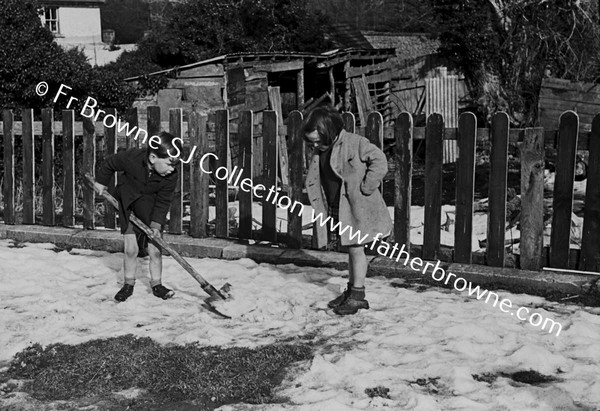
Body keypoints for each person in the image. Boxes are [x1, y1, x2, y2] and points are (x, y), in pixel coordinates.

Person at [303, 106, 392, 315]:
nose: (315, 145)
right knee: (351, 250)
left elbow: (379, 161)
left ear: (330, 131)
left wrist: (367, 186)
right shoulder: (321, 150)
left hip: (357, 206)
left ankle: (358, 296)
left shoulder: (355, 143)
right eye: (311, 142)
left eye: (318, 140)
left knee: (356, 249)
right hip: (339, 206)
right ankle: (352, 291)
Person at [94, 132, 181, 302]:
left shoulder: (171, 176)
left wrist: (156, 226)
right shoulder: (132, 158)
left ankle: (157, 285)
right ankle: (128, 284)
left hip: (151, 209)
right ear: (154, 157)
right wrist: (101, 182)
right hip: (129, 205)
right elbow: (110, 163)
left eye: (175, 165)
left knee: (155, 251)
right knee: (131, 249)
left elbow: (163, 201)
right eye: (170, 164)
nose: (172, 169)